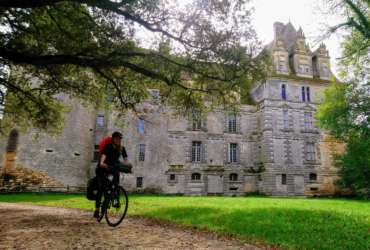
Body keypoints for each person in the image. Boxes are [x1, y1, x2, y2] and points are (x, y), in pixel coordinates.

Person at [94, 131, 130, 218]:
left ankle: (115, 197)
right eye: (117, 139)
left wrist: (128, 167)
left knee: (116, 180)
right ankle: (97, 209)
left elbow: (126, 160)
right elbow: (104, 156)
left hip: (113, 168)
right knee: (101, 188)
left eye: (120, 139)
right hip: (103, 168)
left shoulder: (122, 148)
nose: (119, 140)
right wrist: (102, 163)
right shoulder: (108, 146)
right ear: (113, 139)